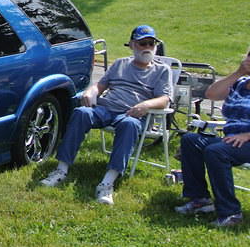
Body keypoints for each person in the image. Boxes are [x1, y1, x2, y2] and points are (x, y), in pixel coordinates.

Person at [41, 25, 172, 205]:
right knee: (81, 112)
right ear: (132, 45)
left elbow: (165, 99)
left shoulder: (162, 70)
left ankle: (107, 183)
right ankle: (61, 170)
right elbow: (100, 86)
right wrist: (90, 92)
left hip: (133, 113)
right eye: (143, 44)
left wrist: (146, 105)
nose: (148, 47)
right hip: (106, 109)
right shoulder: (120, 64)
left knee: (129, 125)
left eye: (151, 43)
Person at [173, 48, 250, 227]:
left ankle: (230, 212)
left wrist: (246, 135)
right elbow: (211, 94)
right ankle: (200, 199)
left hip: (245, 140)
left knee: (216, 152)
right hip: (231, 139)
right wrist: (239, 73)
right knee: (190, 140)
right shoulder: (240, 83)